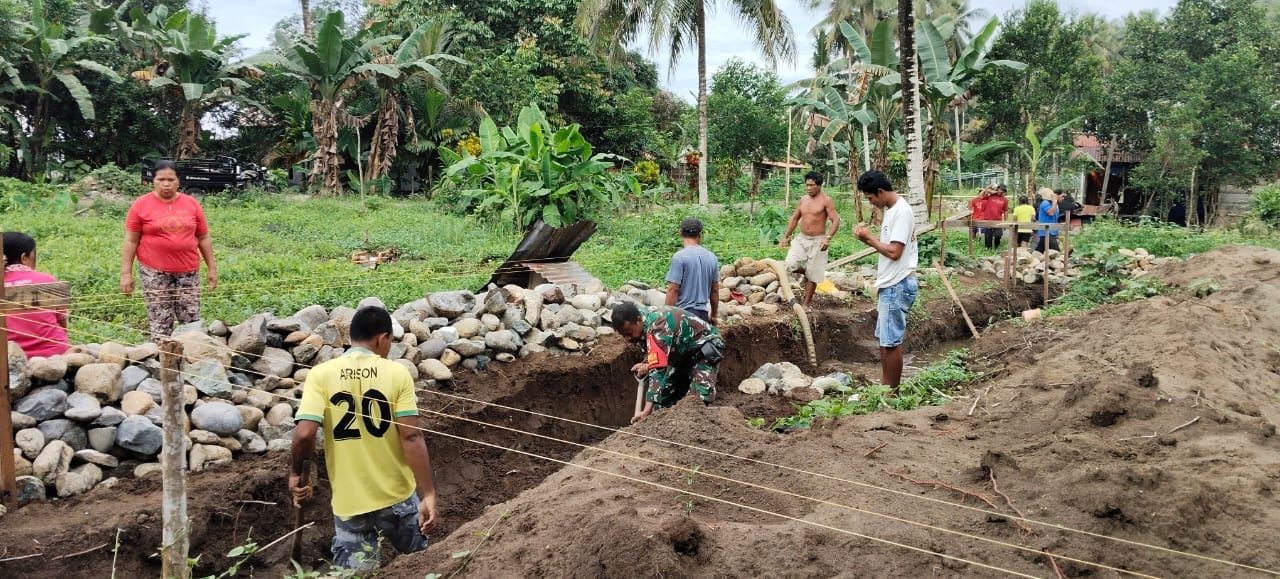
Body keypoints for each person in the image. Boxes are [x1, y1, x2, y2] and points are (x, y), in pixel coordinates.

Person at [290, 305, 440, 572]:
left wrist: (294, 472)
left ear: (352, 337)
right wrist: (428, 493)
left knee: (356, 576)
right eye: (390, 341)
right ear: (382, 338)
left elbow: (304, 434)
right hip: (397, 499)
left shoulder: (321, 375)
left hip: (351, 506)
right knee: (423, 566)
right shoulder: (396, 373)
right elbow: (411, 437)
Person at [120, 160, 218, 341]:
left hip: (188, 271)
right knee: (160, 321)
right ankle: (162, 354)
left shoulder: (191, 204)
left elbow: (203, 238)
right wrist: (126, 273)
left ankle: (191, 355)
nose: (166, 184)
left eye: (171, 180)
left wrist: (212, 268)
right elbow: (131, 241)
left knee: (191, 320)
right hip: (154, 272)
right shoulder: (140, 205)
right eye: (161, 179)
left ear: (178, 181)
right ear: (153, 181)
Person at [853, 171, 919, 390]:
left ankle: (892, 391)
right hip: (891, 284)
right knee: (885, 340)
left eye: (870, 198)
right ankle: (886, 386)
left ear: (880, 191)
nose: (870, 203)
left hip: (897, 284)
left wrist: (869, 239)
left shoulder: (901, 212)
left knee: (890, 343)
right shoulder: (892, 211)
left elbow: (894, 252)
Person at [611, 302, 724, 423]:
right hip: (680, 353)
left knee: (696, 401)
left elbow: (658, 371)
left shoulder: (659, 325)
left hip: (703, 348)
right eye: (623, 335)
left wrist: (646, 411)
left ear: (638, 320)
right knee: (662, 400)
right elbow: (653, 349)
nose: (627, 338)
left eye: (629, 333)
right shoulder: (639, 322)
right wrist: (646, 362)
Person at [779, 171, 840, 308]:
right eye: (807, 185)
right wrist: (785, 237)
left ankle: (805, 304)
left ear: (819, 185)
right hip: (801, 239)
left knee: (814, 275)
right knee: (790, 264)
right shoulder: (803, 200)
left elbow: (835, 220)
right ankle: (806, 272)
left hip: (818, 241)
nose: (808, 188)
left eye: (812, 185)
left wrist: (827, 238)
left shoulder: (826, 200)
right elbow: (795, 218)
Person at [3, 232, 69, 357]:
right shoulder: (47, 280)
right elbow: (62, 323)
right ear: (24, 258)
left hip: (10, 358)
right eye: (34, 255)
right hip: (55, 353)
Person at [665, 217, 719, 324]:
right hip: (702, 316)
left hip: (682, 316)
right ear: (700, 234)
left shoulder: (679, 257)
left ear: (680, 233)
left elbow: (673, 289)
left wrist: (666, 317)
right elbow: (715, 290)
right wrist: (713, 315)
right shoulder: (712, 257)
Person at [981, 184, 1010, 249]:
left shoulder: (1005, 199)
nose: (1001, 191)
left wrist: (1006, 222)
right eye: (1000, 189)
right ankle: (988, 249)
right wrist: (989, 186)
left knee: (998, 235)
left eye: (1003, 190)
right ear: (997, 189)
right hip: (988, 219)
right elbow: (981, 195)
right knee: (988, 236)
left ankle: (997, 248)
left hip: (998, 220)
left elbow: (1006, 211)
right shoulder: (990, 196)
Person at [1035, 187, 1061, 253]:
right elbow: (1051, 213)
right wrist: (1055, 202)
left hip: (1052, 231)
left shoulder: (1054, 204)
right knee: (1056, 251)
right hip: (1047, 231)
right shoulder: (1045, 203)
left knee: (1040, 251)